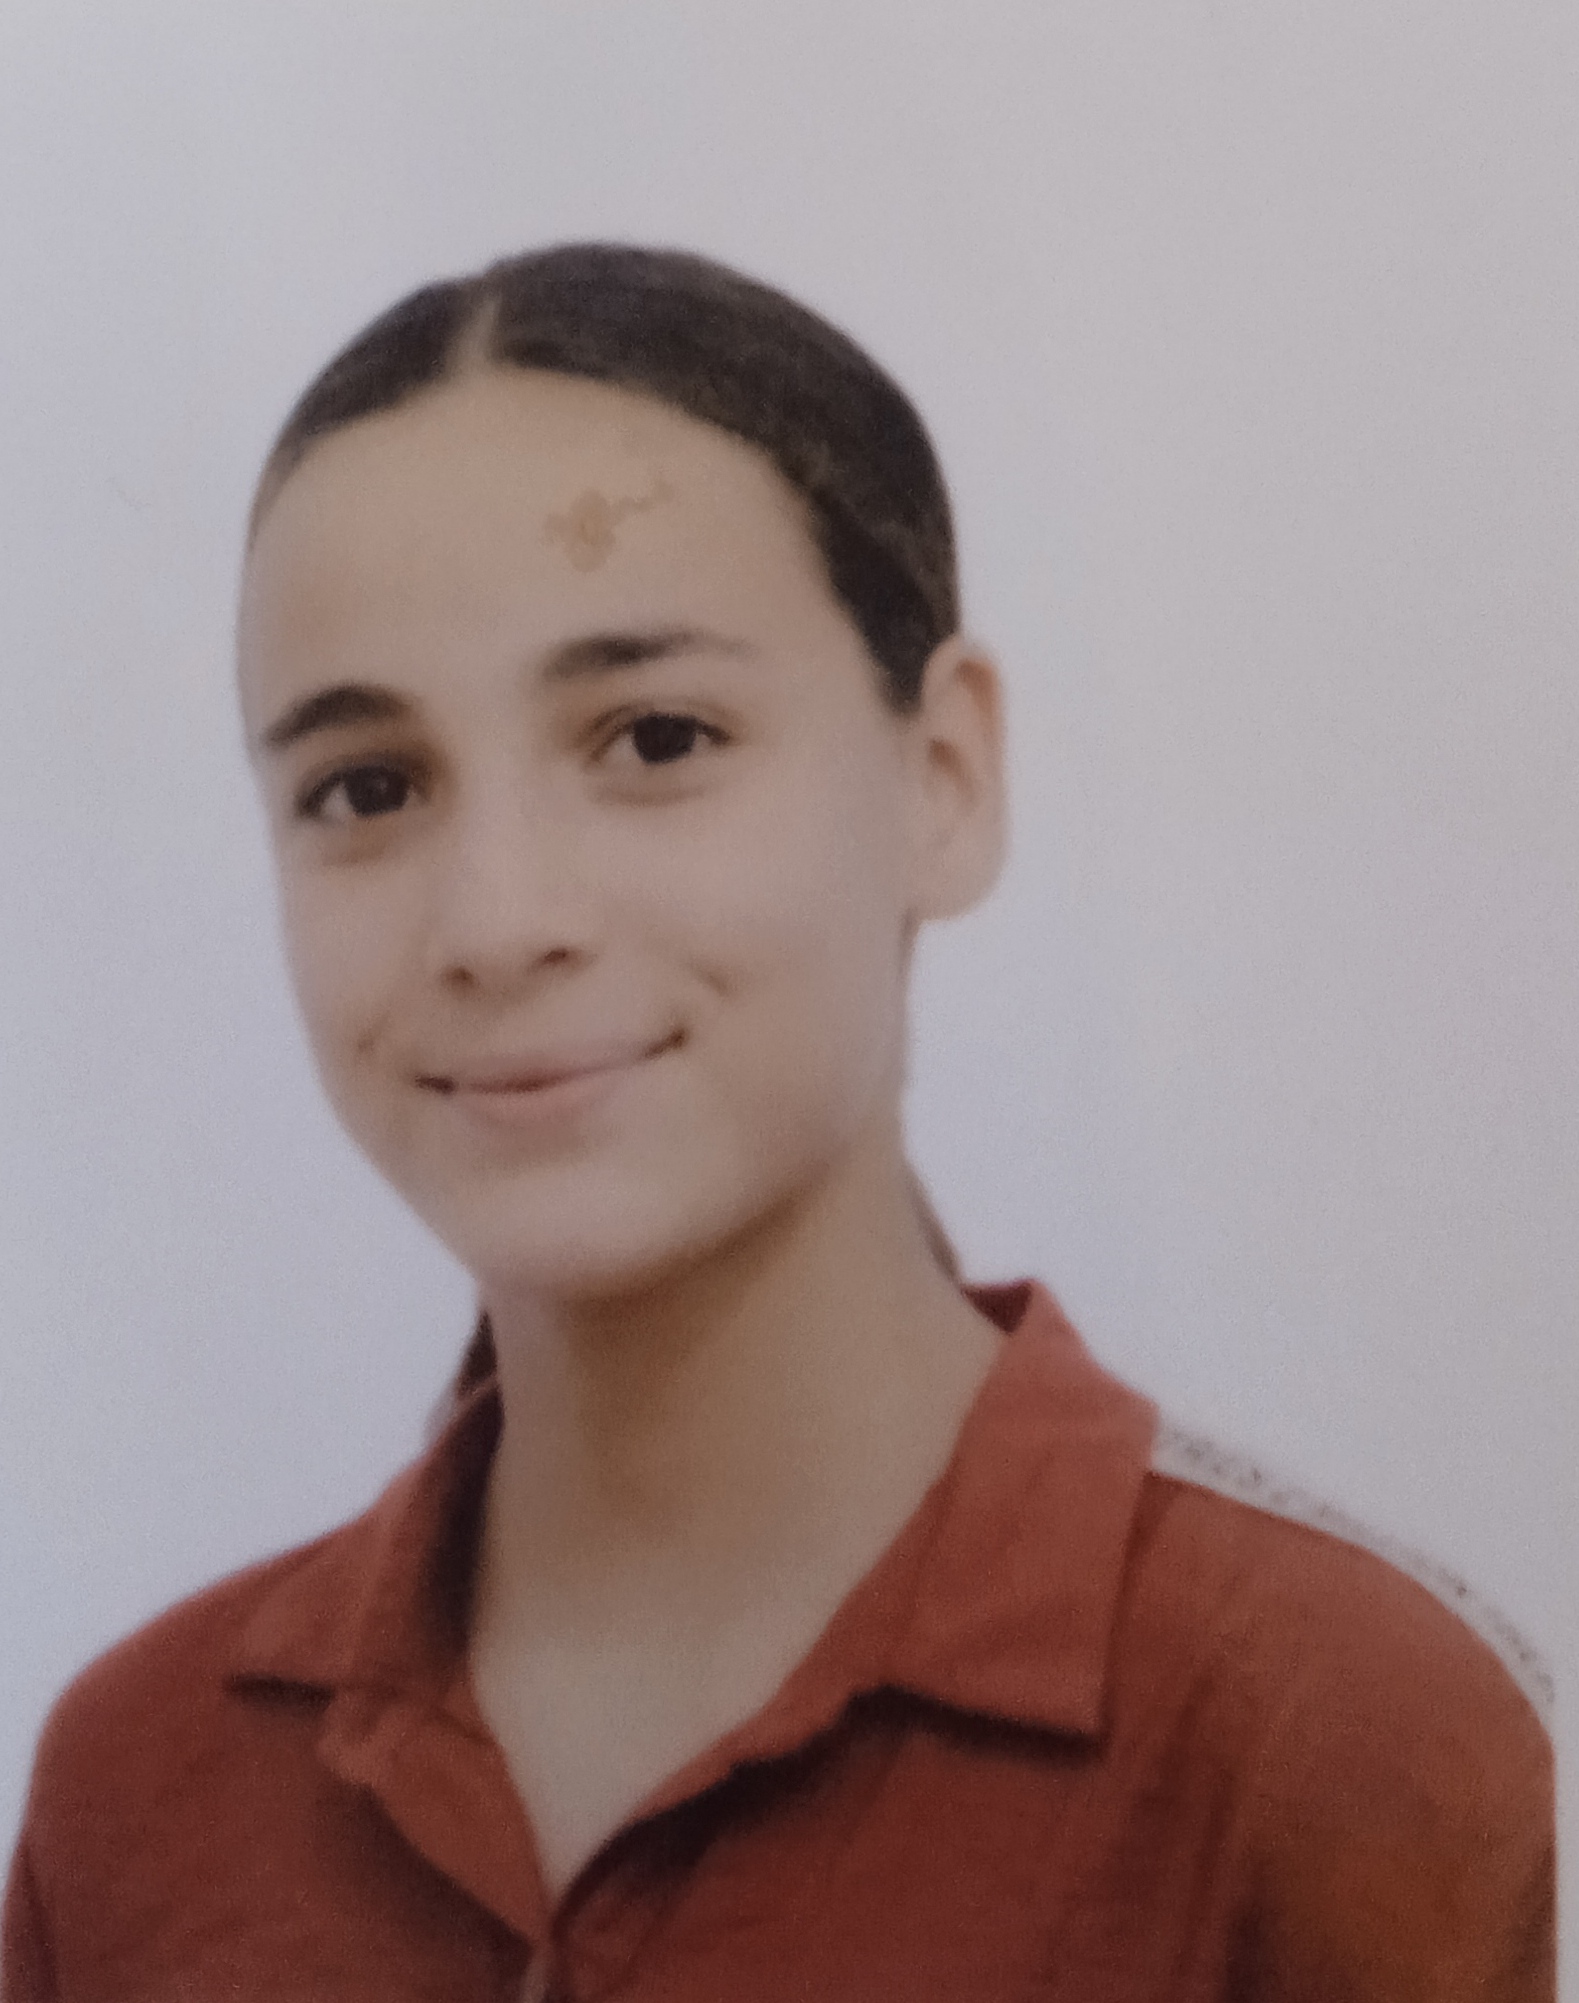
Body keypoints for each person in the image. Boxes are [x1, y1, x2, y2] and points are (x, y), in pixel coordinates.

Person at [2, 243, 1553, 2002]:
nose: (498, 918)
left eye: (657, 739)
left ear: (944, 776)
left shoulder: (1336, 1742)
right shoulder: (139, 1785)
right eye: (367, 786)